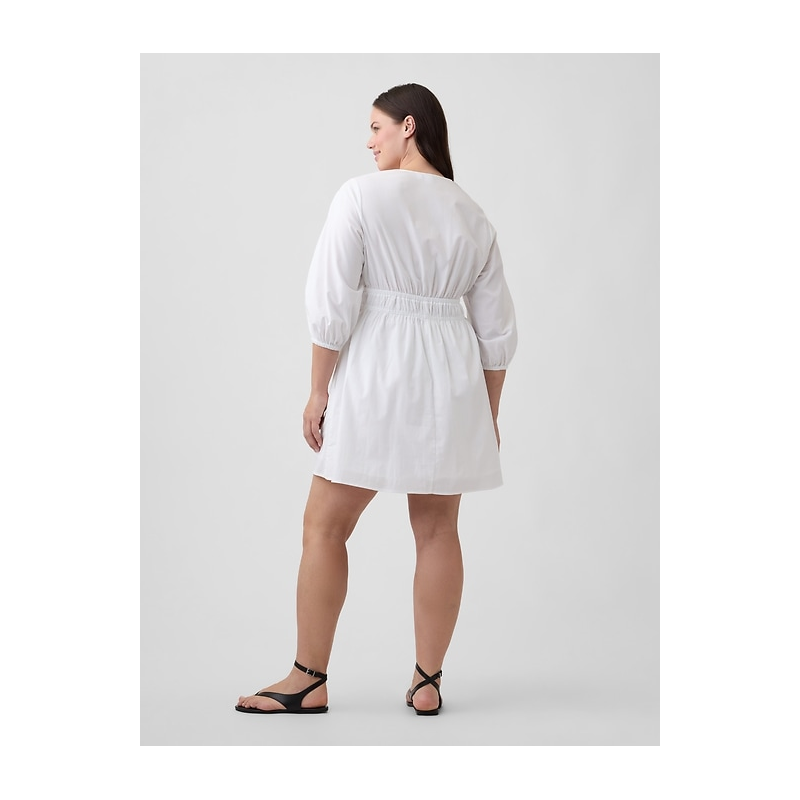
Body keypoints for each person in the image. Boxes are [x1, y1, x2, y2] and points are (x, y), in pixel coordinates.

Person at [235, 83, 517, 716]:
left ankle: (308, 679)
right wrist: (489, 414)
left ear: (408, 126)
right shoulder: (473, 215)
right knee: (438, 529)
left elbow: (332, 302)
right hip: (453, 381)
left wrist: (317, 390)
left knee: (324, 525)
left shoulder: (361, 196)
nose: (369, 142)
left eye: (375, 127)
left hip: (375, 373)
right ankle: (427, 681)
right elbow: (496, 334)